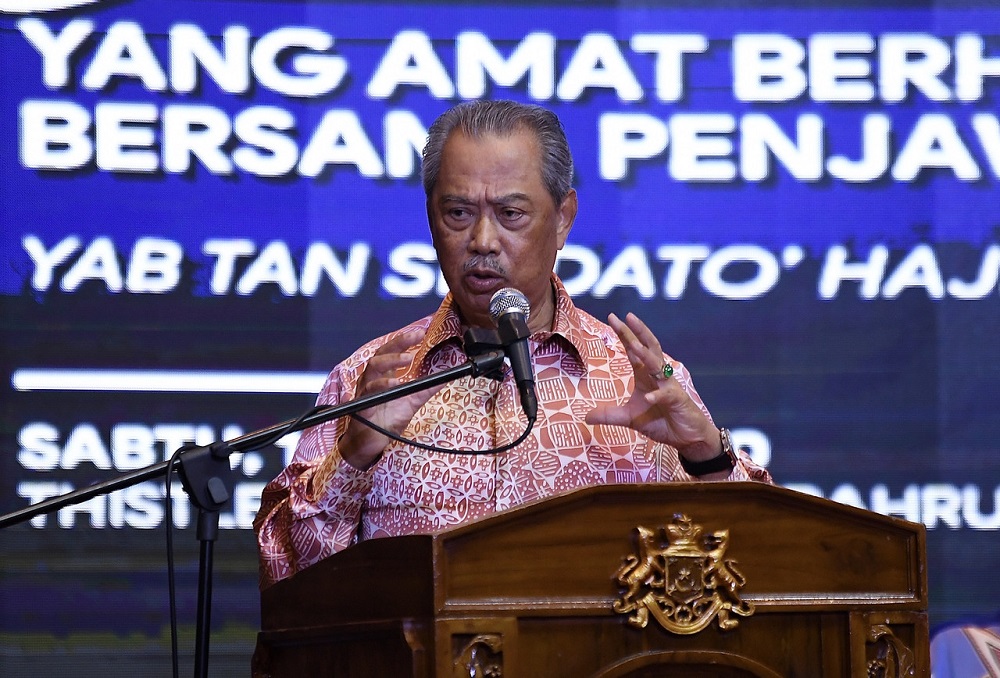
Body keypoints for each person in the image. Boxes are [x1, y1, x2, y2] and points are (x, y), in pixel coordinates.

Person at [254, 100, 772, 588]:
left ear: (564, 218)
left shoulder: (639, 380)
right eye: (458, 213)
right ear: (431, 218)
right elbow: (286, 579)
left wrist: (706, 456)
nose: (482, 240)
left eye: (511, 214)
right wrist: (351, 455)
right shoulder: (368, 380)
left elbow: (766, 566)